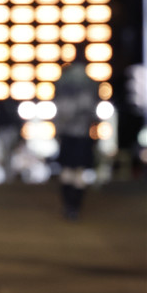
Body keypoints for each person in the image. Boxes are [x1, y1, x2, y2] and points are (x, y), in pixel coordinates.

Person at [53, 49, 99, 220]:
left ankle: (67, 206)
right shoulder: (91, 82)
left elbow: (57, 108)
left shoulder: (62, 80)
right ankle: (75, 207)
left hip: (66, 133)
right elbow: (94, 111)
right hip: (83, 134)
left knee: (66, 169)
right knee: (79, 171)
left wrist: (58, 129)